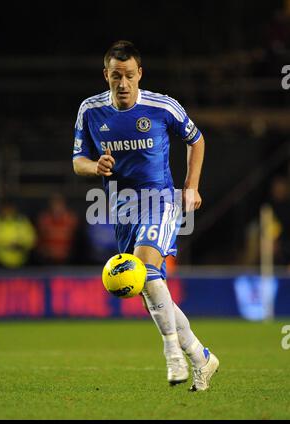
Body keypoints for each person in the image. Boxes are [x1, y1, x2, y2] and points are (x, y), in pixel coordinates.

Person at [72, 40, 219, 391]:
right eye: (115, 76)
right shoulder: (90, 111)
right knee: (149, 287)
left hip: (161, 201)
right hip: (122, 209)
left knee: (146, 270)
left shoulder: (161, 106)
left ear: (140, 74)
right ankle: (201, 356)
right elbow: (78, 161)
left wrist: (191, 186)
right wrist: (96, 166)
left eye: (129, 75)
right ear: (106, 75)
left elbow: (196, 139)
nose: (122, 84)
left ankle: (172, 353)